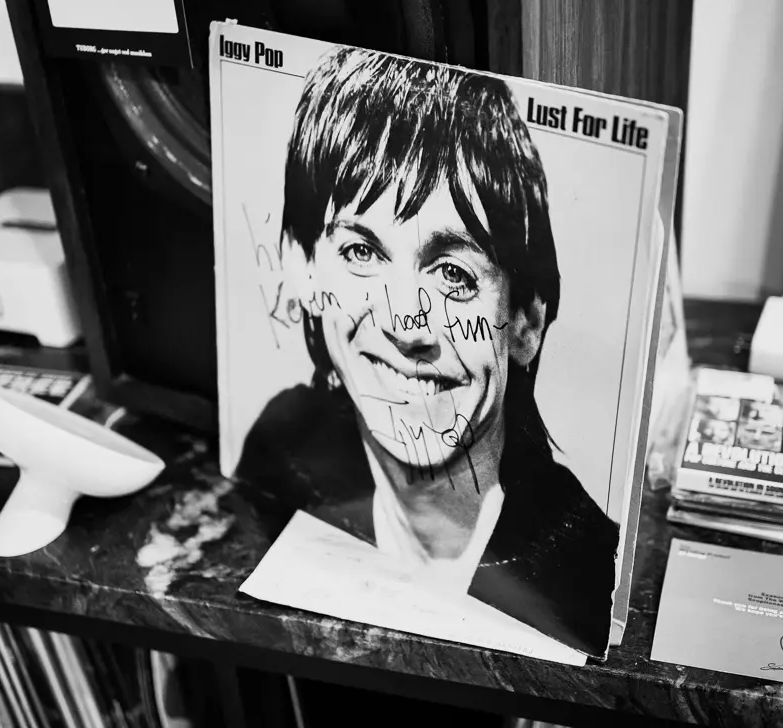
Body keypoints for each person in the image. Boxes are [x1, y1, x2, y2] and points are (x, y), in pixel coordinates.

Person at [236, 46, 620, 657]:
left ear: (526, 322)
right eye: (361, 253)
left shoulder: (590, 574)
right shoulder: (278, 451)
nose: (404, 323)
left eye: (453, 275)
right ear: (303, 268)